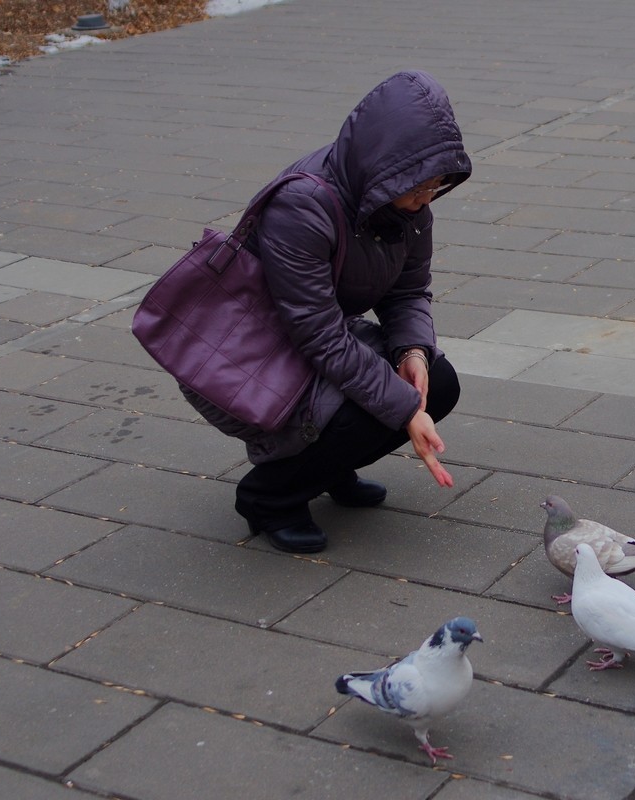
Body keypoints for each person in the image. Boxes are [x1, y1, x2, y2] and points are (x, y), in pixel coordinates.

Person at [183, 70, 471, 554]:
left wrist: (414, 352)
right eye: (419, 188)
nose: (426, 200)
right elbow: (316, 335)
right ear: (387, 169)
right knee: (386, 405)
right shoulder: (302, 206)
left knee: (435, 383)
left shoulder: (405, 204)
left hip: (319, 338)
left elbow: (409, 291)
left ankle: (328, 467)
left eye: (436, 186)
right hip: (252, 353)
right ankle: (269, 497)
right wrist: (401, 408)